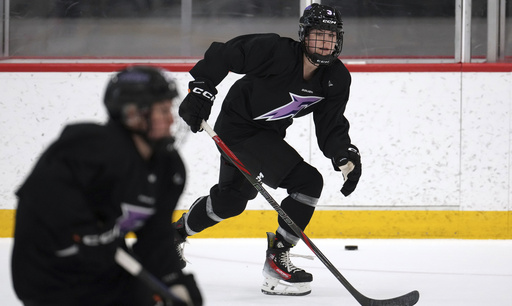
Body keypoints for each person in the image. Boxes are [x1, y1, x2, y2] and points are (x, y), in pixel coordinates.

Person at [176, 3, 362, 296]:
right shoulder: (276, 51)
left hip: (267, 133)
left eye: (331, 36)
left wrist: (343, 154)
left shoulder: (336, 79)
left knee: (231, 202)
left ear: (338, 40)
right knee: (307, 182)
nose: (324, 43)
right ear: (304, 36)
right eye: (317, 35)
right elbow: (224, 53)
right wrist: (202, 88)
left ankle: (172, 235)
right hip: (237, 127)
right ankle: (278, 259)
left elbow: (331, 124)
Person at [11, 66, 202, 306]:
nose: (171, 119)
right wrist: (85, 234)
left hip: (107, 272)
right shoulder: (84, 150)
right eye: (163, 110)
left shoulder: (168, 168)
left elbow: (154, 238)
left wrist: (173, 281)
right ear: (134, 113)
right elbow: (37, 203)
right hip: (52, 276)